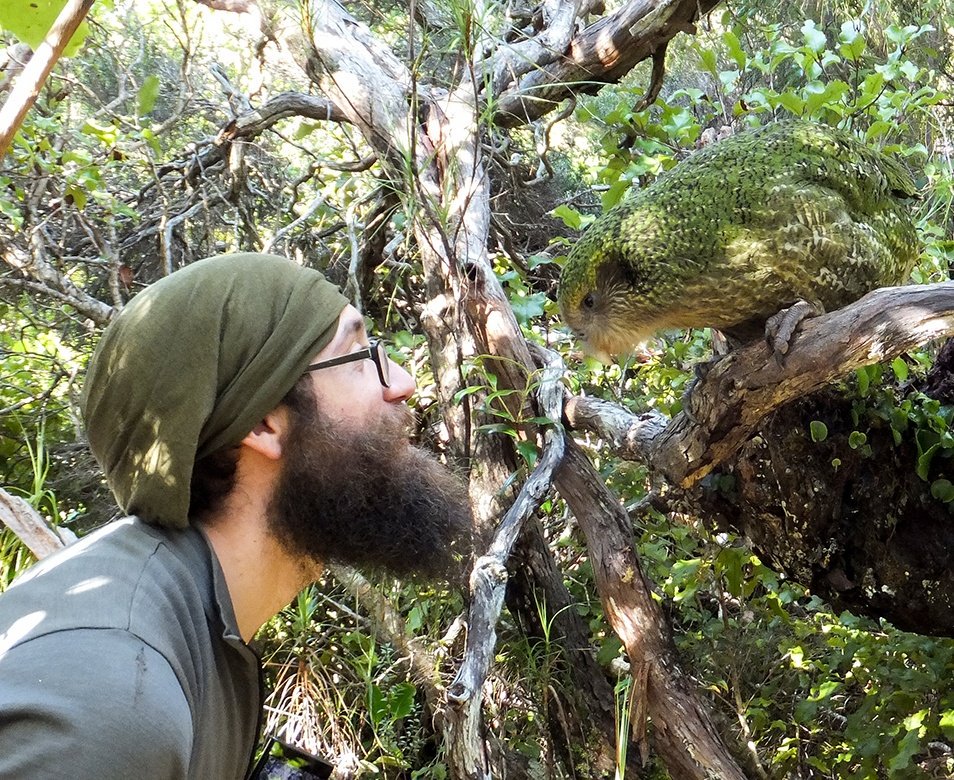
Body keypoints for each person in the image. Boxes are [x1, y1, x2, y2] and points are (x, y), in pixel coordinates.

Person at [0, 253, 473, 779]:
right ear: (264, 423)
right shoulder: (112, 704)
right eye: (358, 357)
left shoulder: (197, 625)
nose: (402, 383)